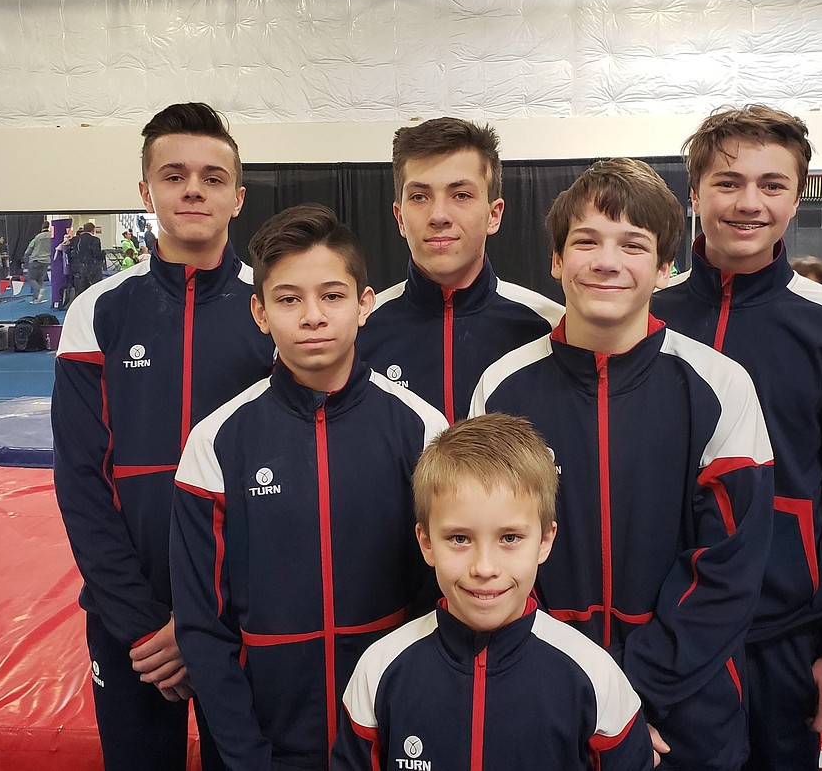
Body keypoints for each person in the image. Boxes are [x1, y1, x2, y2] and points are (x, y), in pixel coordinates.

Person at [471, 159, 775, 770]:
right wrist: (571, 688)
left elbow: (728, 567)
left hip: (685, 704)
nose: (606, 261)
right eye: (586, 241)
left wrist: (634, 694)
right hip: (547, 694)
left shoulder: (719, 386)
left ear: (664, 268)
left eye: (632, 245)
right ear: (556, 261)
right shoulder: (503, 388)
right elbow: (491, 552)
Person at [652, 105, 822, 771]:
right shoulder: (644, 317)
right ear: (695, 192)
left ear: (796, 197)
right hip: (661, 635)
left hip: (784, 638)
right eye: (728, 182)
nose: (748, 202)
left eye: (771, 184)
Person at [170, 203, 447, 770]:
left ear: (365, 304)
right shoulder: (215, 443)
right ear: (261, 312)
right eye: (289, 299)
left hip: (391, 736)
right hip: (263, 742)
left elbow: (438, 596)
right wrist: (245, 755)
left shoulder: (423, 430)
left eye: (333, 295)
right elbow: (203, 624)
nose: (313, 316)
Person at [52, 102, 277, 771]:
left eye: (211, 177)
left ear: (236, 198)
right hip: (133, 622)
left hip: (242, 612)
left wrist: (209, 619)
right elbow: (81, 482)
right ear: (146, 191)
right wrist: (147, 621)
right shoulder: (99, 312)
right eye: (174, 174)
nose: (192, 189)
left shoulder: (270, 308)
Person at [331, 412, 653, 771]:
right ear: (426, 543)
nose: (484, 567)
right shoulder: (379, 670)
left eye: (510, 538)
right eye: (459, 538)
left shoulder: (595, 676)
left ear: (545, 541)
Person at [357, 116, 563, 422]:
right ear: (400, 218)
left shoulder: (550, 328)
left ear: (494, 214)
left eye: (461, 195)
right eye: (419, 197)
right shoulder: (357, 332)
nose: (439, 215)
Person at [68, 222, 105, 295]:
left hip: (78, 268)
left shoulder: (75, 239)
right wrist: (103, 254)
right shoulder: (95, 240)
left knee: (80, 290)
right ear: (93, 230)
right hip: (91, 268)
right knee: (94, 289)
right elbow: (96, 254)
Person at [23, 222, 52, 303]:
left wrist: (26, 261)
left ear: (42, 227)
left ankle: (39, 290)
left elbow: (29, 250)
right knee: (40, 279)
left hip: (36, 260)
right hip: (46, 261)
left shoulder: (37, 237)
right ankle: (37, 298)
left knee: (31, 278)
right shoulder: (51, 236)